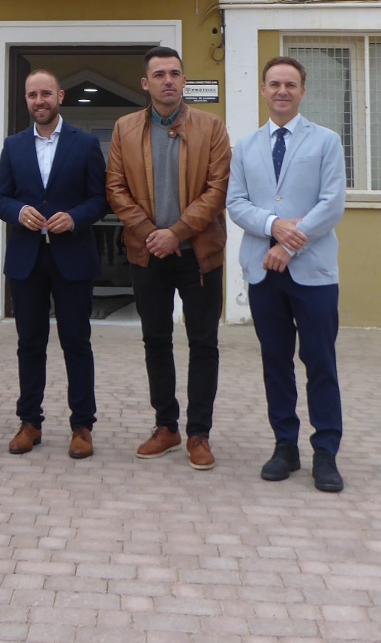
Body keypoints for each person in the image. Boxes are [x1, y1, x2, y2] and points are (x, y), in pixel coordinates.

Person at [106, 46, 231, 471]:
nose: (168, 81)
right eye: (159, 74)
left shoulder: (211, 127)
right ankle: (167, 426)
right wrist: (149, 234)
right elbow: (115, 188)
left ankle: (199, 433)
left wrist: (175, 233)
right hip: (147, 253)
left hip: (199, 253)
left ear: (183, 78)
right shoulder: (124, 129)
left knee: (203, 342)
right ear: (145, 83)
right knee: (155, 340)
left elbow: (217, 191)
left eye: (175, 73)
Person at [226, 56, 348, 492]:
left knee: (320, 363)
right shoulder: (245, 146)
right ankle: (285, 446)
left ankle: (326, 452)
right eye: (274, 83)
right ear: (263, 90)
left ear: (302, 91)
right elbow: (236, 203)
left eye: (290, 84)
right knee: (275, 362)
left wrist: (289, 242)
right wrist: (272, 228)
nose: (282, 91)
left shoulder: (326, 141)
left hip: (313, 273)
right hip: (263, 272)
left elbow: (332, 203)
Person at [0, 69, 108, 459]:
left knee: (77, 342)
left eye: (45, 94)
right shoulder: (13, 145)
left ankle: (82, 426)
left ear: (59, 96)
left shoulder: (86, 143)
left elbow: (99, 199)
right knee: (29, 344)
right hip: (27, 259)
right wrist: (19, 209)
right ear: (26, 100)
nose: (39, 101)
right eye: (32, 95)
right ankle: (30, 422)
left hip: (72, 257)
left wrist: (74, 217)